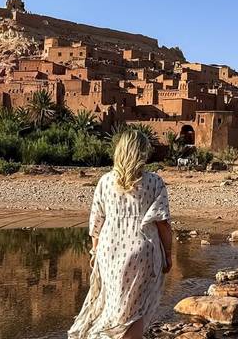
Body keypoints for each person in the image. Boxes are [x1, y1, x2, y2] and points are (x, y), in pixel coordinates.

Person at [68, 130, 173, 339]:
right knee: (135, 309)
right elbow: (163, 223)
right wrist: (168, 254)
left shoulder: (105, 182)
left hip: (109, 249)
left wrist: (95, 251)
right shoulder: (153, 182)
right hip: (141, 250)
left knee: (112, 303)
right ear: (142, 153)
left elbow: (96, 222)